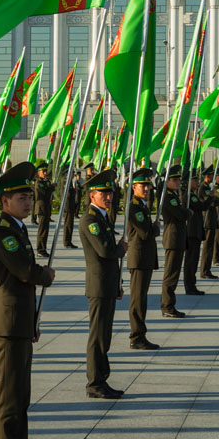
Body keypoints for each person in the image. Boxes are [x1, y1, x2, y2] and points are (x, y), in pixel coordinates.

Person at [0, 162, 55, 439]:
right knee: (10, 397)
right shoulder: (3, 233)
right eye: (21, 197)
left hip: (19, 323)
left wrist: (32, 322)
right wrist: (47, 275)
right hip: (6, 325)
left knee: (21, 396)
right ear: (5, 201)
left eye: (29, 196)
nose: (28, 202)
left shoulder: (18, 229)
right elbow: (25, 272)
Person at [79, 169, 127, 398]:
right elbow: (106, 251)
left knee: (105, 336)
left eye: (110, 193)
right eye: (103, 194)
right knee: (97, 336)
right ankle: (95, 383)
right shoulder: (90, 220)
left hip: (107, 284)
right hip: (98, 286)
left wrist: (116, 284)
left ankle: (102, 379)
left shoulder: (103, 217)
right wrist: (122, 248)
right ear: (92, 196)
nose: (108, 197)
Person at [126, 166, 160, 350]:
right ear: (133, 187)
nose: (146, 189)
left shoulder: (143, 206)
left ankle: (140, 334)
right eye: (142, 185)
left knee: (142, 299)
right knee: (137, 300)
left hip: (144, 258)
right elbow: (145, 232)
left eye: (148, 186)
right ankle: (136, 337)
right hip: (138, 258)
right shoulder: (134, 207)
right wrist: (156, 228)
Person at [160, 164, 189, 318]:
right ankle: (167, 306)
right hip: (172, 238)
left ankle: (170, 304)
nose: (178, 182)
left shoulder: (173, 195)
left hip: (177, 238)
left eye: (179, 179)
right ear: (168, 181)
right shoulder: (168, 197)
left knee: (174, 273)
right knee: (171, 274)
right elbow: (180, 214)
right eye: (175, 179)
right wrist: (187, 212)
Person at [184, 172, 209, 295]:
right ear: (188, 182)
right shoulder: (189, 195)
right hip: (191, 232)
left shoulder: (192, 194)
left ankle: (191, 284)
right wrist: (211, 198)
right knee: (190, 261)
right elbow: (201, 206)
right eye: (194, 181)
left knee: (193, 260)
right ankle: (189, 286)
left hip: (195, 231)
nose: (197, 183)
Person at [199, 165, 219, 279]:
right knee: (207, 247)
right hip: (207, 220)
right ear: (207, 176)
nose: (213, 178)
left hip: (212, 219)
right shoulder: (203, 188)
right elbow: (208, 203)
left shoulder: (208, 187)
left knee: (210, 246)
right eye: (212, 176)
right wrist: (213, 197)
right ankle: (204, 271)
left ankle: (207, 269)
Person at [34, 160, 53, 257]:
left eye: (46, 171)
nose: (45, 173)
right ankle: (40, 249)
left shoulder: (45, 182)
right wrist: (51, 188)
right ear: (39, 172)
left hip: (46, 208)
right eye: (43, 171)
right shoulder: (38, 183)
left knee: (46, 229)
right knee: (42, 230)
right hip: (41, 208)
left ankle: (43, 248)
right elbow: (44, 194)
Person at [62, 169, 77, 248]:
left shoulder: (70, 181)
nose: (74, 174)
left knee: (70, 225)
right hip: (67, 207)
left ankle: (69, 241)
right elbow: (66, 194)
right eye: (72, 173)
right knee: (67, 225)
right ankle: (66, 242)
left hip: (70, 206)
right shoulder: (65, 181)